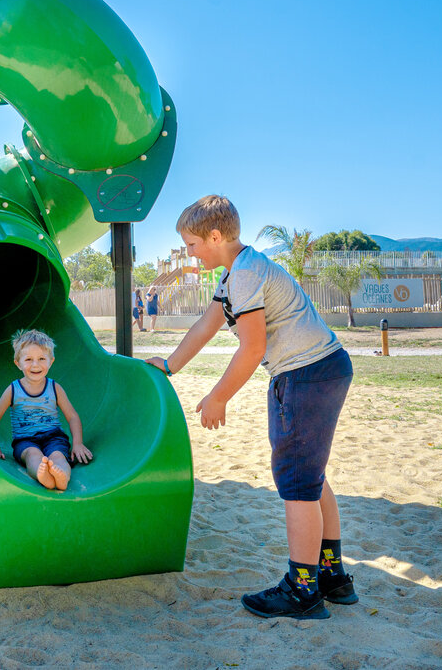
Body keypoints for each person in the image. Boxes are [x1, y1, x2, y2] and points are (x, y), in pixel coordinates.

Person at [145, 195, 356, 621]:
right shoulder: (239, 272)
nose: (189, 253)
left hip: (304, 373)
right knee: (311, 476)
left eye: (190, 244)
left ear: (216, 236)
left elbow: (252, 346)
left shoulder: (243, 276)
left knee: (297, 482)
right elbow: (207, 324)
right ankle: (331, 576)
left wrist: (218, 396)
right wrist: (169, 365)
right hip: (327, 366)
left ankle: (302, 591)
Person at [0, 329, 93, 490]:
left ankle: (62, 477)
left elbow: (72, 416)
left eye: (42, 358)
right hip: (25, 440)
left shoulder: (54, 388)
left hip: (54, 437)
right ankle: (42, 475)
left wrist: (77, 443)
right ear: (18, 363)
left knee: (58, 455)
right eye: (28, 359)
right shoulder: (14, 389)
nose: (35, 365)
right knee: (32, 455)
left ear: (51, 361)